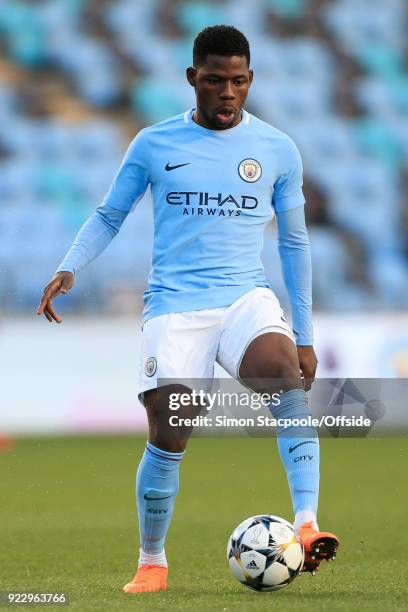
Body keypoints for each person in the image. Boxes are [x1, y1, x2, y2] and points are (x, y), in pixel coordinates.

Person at [37, 25, 339, 593]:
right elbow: (109, 215)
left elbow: (294, 244)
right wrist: (70, 265)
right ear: (191, 79)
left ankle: (306, 525)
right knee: (172, 425)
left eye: (239, 81)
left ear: (250, 81)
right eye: (216, 81)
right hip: (175, 305)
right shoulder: (154, 144)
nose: (228, 92)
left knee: (283, 373)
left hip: (245, 296)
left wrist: (303, 333)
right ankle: (152, 560)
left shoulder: (277, 149)